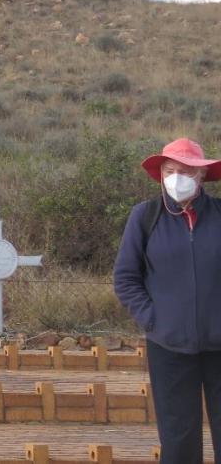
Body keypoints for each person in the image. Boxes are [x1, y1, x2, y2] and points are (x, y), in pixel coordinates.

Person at [114, 137, 221, 462]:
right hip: (169, 348)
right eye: (170, 170)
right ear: (160, 174)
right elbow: (126, 278)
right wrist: (154, 320)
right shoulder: (145, 217)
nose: (178, 178)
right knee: (178, 440)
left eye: (187, 171)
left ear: (202, 176)